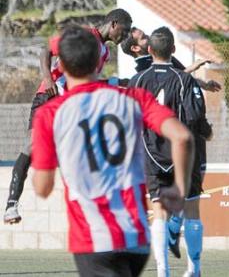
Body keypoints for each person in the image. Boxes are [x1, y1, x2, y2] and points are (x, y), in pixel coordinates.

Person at [31, 25, 194, 277]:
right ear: (98, 60)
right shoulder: (132, 98)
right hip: (136, 238)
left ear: (61, 64)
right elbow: (182, 137)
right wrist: (179, 188)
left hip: (93, 238)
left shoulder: (51, 114)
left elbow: (42, 187)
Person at [3, 8, 133, 224]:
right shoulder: (83, 36)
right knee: (32, 146)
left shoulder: (105, 53)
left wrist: (118, 83)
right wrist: (49, 79)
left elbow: (86, 83)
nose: (126, 35)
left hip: (71, 103)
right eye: (125, 30)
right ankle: (11, 205)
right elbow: (47, 51)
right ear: (113, 24)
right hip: (49, 95)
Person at [129, 26, 212, 277]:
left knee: (159, 212)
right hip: (183, 156)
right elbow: (196, 117)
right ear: (173, 50)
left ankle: (162, 272)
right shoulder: (184, 79)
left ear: (150, 50)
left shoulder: (138, 80)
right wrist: (206, 131)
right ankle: (194, 270)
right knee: (192, 210)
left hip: (152, 153)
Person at [121, 27, 221, 92]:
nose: (149, 37)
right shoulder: (142, 70)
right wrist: (192, 67)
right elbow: (167, 82)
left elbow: (182, 76)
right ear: (135, 48)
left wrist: (204, 85)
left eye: (146, 34)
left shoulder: (163, 54)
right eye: (143, 37)